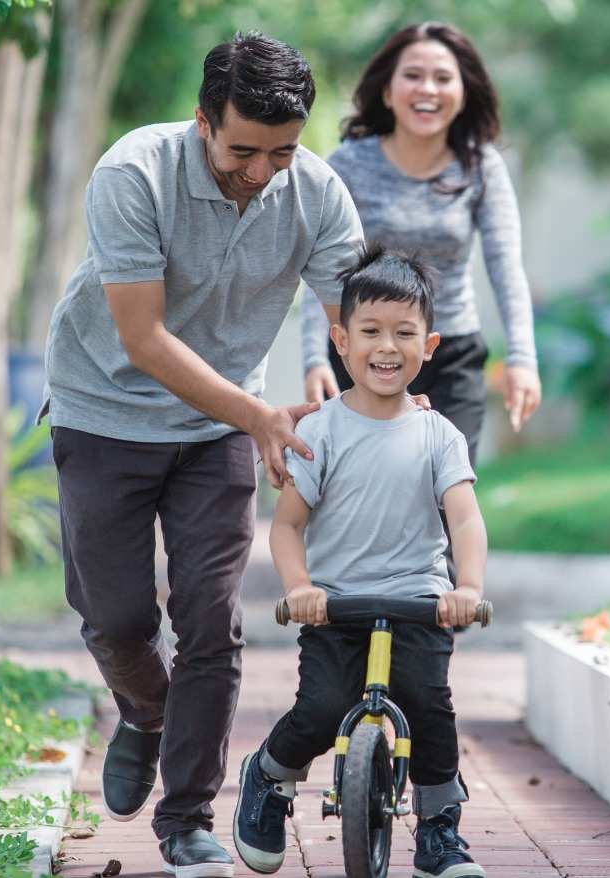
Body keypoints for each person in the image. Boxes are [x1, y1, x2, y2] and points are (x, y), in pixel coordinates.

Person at [42, 31, 363, 877]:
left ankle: (185, 822)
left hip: (217, 430)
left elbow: (353, 320)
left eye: (282, 152)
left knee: (211, 626)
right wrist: (260, 411)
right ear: (200, 121)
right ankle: (145, 714)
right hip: (102, 409)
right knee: (114, 618)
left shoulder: (317, 192)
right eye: (241, 151)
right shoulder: (132, 174)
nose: (260, 172)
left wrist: (382, 396)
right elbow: (141, 337)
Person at [233, 244, 488, 878]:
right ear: (340, 341)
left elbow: (465, 518)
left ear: (428, 346)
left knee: (429, 708)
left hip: (418, 599)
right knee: (321, 709)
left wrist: (468, 584)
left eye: (405, 333)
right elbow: (288, 525)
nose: (387, 346)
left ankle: (439, 828)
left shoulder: (438, 434)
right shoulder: (320, 432)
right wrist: (299, 586)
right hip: (337, 602)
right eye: (371, 331)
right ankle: (269, 775)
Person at [299, 21, 540, 463]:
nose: (427, 88)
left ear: (463, 93)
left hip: (450, 354)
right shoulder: (350, 163)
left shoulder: (481, 165)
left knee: (448, 492)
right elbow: (325, 268)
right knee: (363, 494)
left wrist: (523, 357)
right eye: (412, 75)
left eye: (443, 78)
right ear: (388, 91)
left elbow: (506, 266)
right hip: (363, 352)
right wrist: (315, 356)